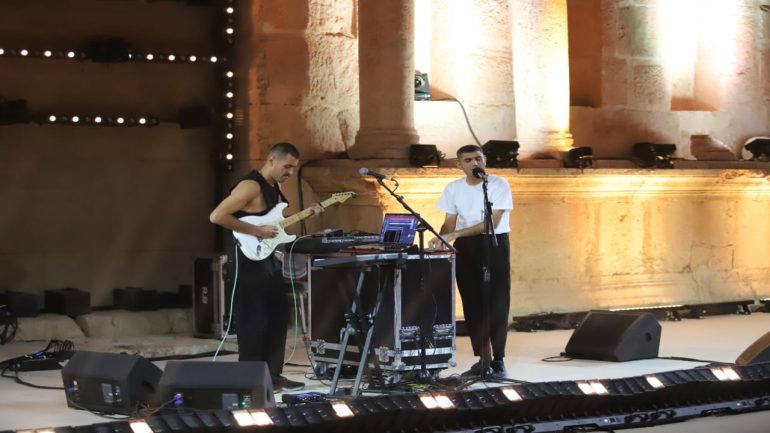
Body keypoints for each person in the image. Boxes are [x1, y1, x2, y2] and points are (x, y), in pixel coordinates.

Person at [209, 142, 324, 392]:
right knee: (254, 323)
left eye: (293, 168)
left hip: (268, 260)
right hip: (247, 263)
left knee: (278, 318)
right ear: (271, 160)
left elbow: (272, 226)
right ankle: (250, 381)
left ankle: (272, 376)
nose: (290, 172)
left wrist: (307, 215)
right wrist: (256, 230)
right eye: (287, 166)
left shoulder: (275, 188)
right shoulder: (250, 186)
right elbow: (217, 216)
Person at [429, 144, 512, 378]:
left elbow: (493, 222)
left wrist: (455, 234)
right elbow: (449, 222)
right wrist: (443, 239)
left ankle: (498, 360)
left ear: (484, 160)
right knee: (472, 301)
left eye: (478, 158)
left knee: (497, 301)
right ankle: (483, 359)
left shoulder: (498, 184)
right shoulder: (453, 188)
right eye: (468, 160)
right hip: (466, 246)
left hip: (494, 243)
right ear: (459, 165)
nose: (474, 163)